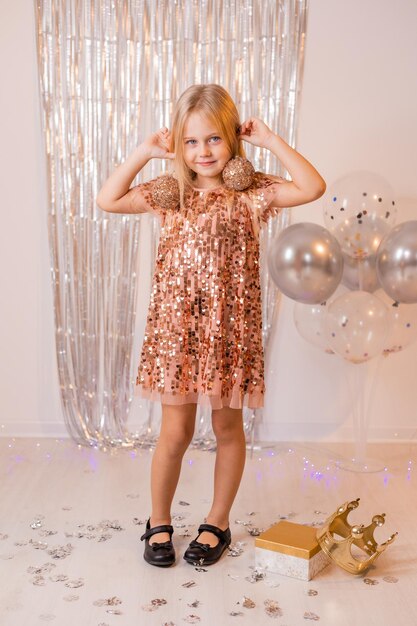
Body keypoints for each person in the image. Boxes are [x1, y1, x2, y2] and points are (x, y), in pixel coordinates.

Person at [96, 84, 326, 568]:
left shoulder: (252, 192)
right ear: (179, 145)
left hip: (229, 335)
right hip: (175, 332)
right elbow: (107, 199)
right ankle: (158, 521)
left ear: (232, 140)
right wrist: (144, 150)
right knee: (174, 433)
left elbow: (312, 186)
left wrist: (271, 140)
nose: (204, 152)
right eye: (192, 141)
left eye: (214, 140)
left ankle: (216, 521)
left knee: (227, 427)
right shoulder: (168, 192)